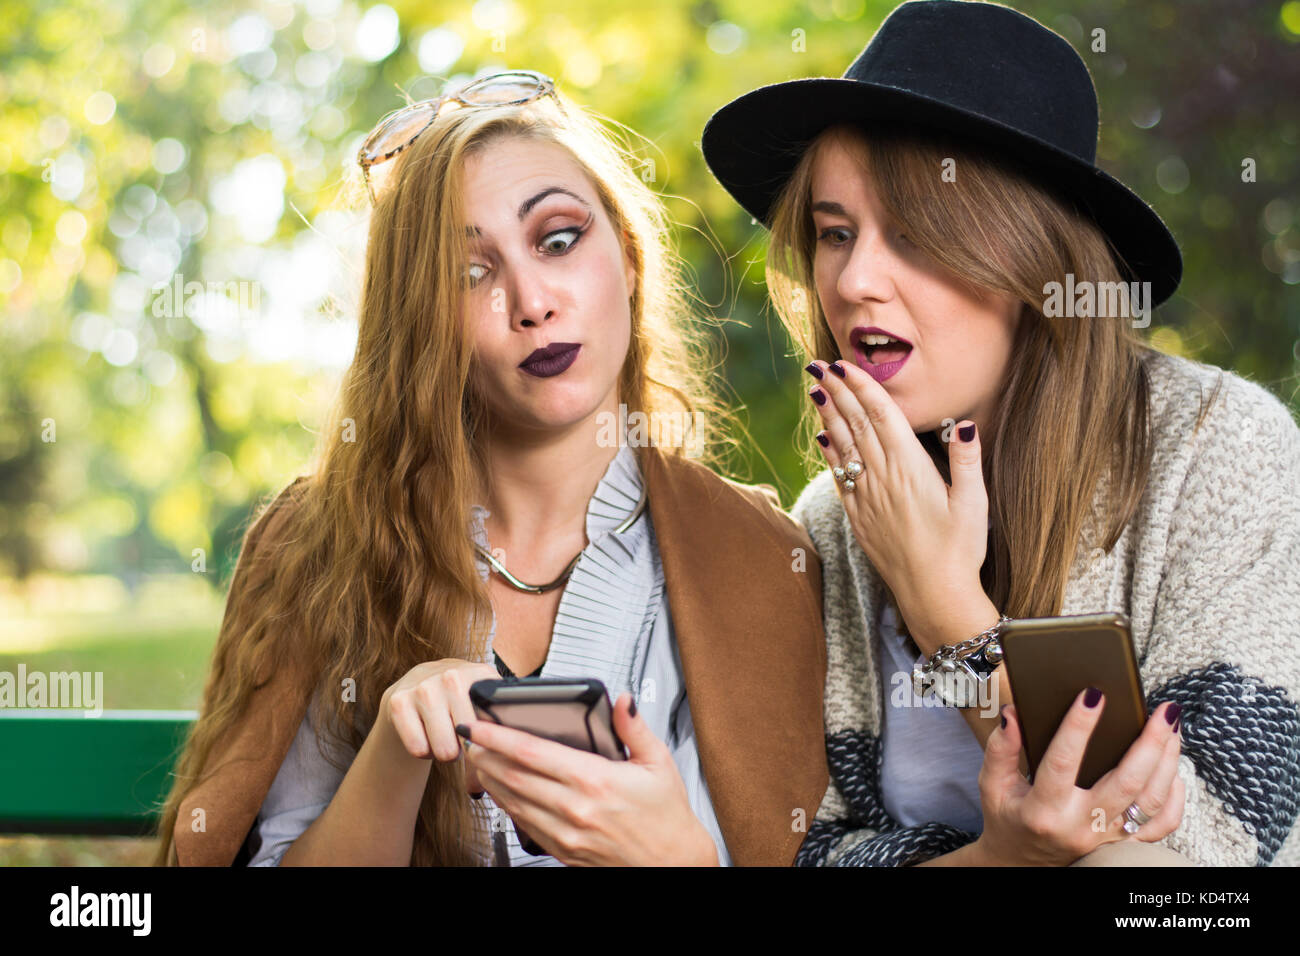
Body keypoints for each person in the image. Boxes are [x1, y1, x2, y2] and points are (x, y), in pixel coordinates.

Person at [153, 71, 829, 867]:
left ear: (631, 260)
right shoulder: (322, 547)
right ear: (423, 325)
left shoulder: (759, 555)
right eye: (468, 273)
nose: (531, 300)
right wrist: (397, 753)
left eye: (558, 239)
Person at [701, 0, 1300, 866]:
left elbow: (1194, 857)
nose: (856, 278)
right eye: (835, 233)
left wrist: (948, 614)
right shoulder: (833, 519)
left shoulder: (1221, 448)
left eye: (913, 234)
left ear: (1033, 263)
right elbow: (799, 849)